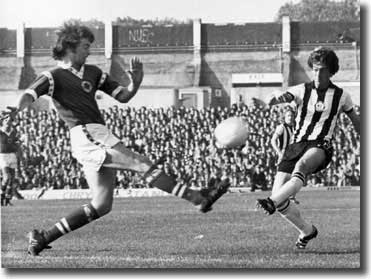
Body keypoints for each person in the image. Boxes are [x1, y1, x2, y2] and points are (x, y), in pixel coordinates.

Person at [1, 22, 230, 256]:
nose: (89, 51)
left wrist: (136, 83)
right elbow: (29, 95)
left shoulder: (94, 73)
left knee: (102, 205)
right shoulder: (52, 76)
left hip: (99, 134)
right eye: (86, 46)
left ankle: (42, 238)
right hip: (86, 134)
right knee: (140, 162)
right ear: (70, 47)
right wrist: (17, 110)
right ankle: (197, 198)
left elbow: (123, 96)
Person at [254, 47, 360, 249]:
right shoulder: (301, 90)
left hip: (321, 145)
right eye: (315, 69)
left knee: (300, 168)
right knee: (282, 199)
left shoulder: (342, 96)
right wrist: (274, 99)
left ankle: (270, 201)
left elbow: (356, 122)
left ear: (331, 72)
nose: (318, 74)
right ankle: (307, 230)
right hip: (296, 145)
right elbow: (284, 97)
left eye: (323, 70)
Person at [270, 107, 299, 204]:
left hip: (294, 156)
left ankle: (291, 197)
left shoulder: (295, 127)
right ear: (284, 117)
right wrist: (279, 153)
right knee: (281, 179)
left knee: (295, 176)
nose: (290, 118)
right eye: (288, 116)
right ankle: (274, 198)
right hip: (284, 156)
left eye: (292, 116)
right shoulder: (282, 127)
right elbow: (273, 141)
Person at [0, 111, 21, 206]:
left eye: (9, 119)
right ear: (2, 121)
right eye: (6, 119)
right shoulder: (0, 131)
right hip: (3, 155)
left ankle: (7, 200)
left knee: (12, 179)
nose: (8, 121)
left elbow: (16, 142)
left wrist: (18, 147)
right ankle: (1, 196)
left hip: (12, 155)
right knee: (6, 177)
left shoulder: (14, 131)